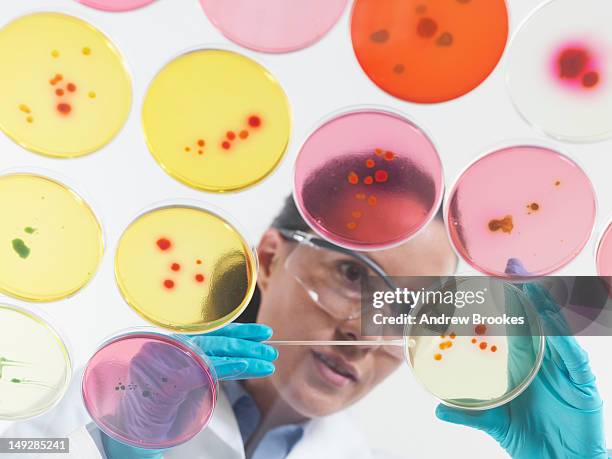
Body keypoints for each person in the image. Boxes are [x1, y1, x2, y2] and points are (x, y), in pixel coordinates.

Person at [2, 183, 609, 459]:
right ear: (269, 257)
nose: (366, 332)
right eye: (353, 277)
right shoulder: (68, 401)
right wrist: (107, 442)